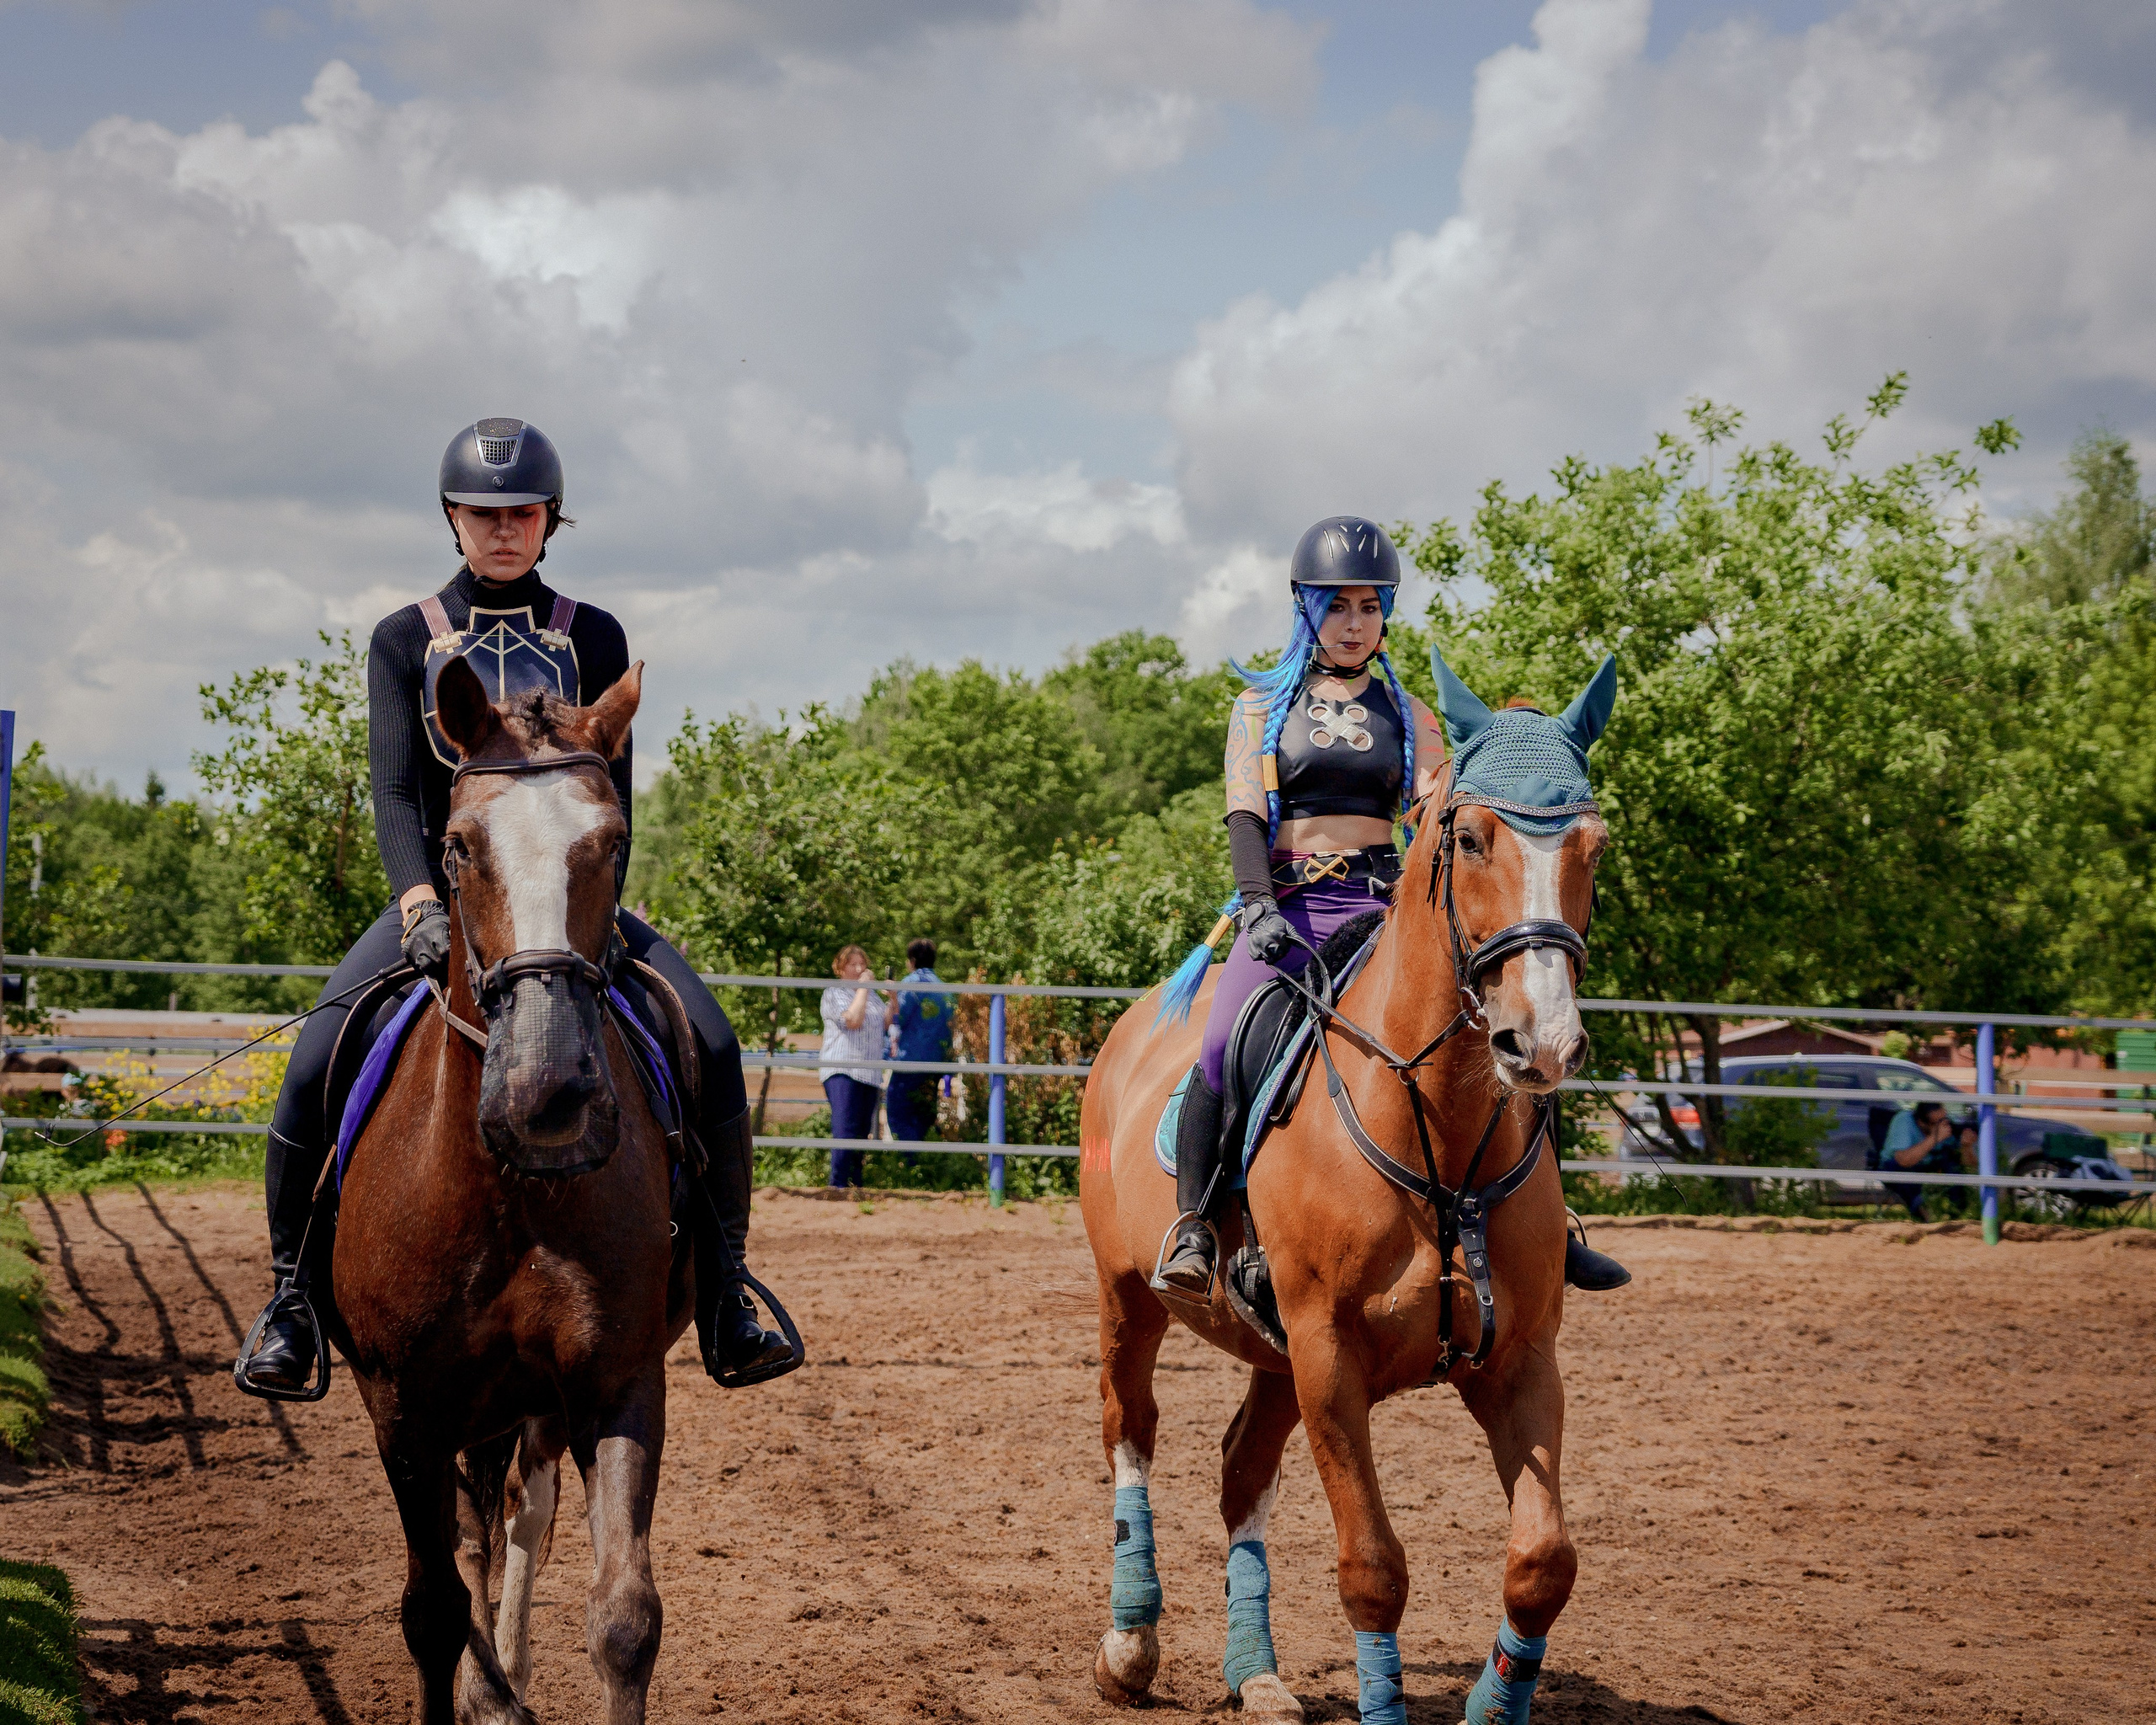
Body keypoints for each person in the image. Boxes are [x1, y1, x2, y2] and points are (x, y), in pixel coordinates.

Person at [235, 417, 792, 1397]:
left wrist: (600, 912)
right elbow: (399, 790)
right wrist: (416, 899)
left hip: (575, 912)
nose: (504, 530)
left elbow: (612, 801)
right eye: (484, 513)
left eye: (523, 513)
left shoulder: (594, 635)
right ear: (452, 517)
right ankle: (288, 1299)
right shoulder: (405, 637)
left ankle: (726, 1294)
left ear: (550, 521)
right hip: (446, 899)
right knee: (315, 1059)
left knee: (709, 1038)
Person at [1150, 515, 1630, 1300]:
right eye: (1337, 607)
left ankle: (1553, 1215)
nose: (1353, 623)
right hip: (1293, 910)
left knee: (1501, 1031)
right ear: (1307, 609)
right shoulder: (1259, 709)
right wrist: (1256, 904)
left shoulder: (1413, 716)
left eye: (1369, 608)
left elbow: (1438, 814)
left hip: (1383, 910)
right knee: (1224, 1042)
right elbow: (1245, 813)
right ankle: (1197, 1224)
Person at [821, 945, 887, 1188]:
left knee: (862, 1131)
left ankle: (855, 1184)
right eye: (853, 964)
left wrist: (892, 998)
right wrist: (863, 989)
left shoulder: (871, 995)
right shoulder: (833, 993)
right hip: (843, 1070)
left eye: (862, 964)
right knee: (845, 1127)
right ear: (840, 968)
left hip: (869, 1072)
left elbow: (886, 1023)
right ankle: (837, 1184)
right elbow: (853, 1020)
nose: (860, 969)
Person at [885, 937, 953, 1146]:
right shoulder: (945, 989)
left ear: (912, 960)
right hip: (935, 1063)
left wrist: (891, 999)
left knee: (899, 1115)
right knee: (924, 1114)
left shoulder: (910, 984)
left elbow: (898, 1018)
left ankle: (910, 1163)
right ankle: (925, 1165)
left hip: (909, 1062)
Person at [1879, 1099, 1975, 1221]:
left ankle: (1957, 1214)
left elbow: (1969, 1165)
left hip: (1930, 1166)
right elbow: (1903, 1160)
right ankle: (1925, 1216)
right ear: (1921, 1123)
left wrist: (1967, 1147)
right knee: (1902, 1172)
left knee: (1953, 1166)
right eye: (1937, 1122)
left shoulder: (1947, 1125)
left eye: (1944, 1119)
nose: (1943, 1124)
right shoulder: (1904, 1121)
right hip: (1897, 1168)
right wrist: (1935, 1138)